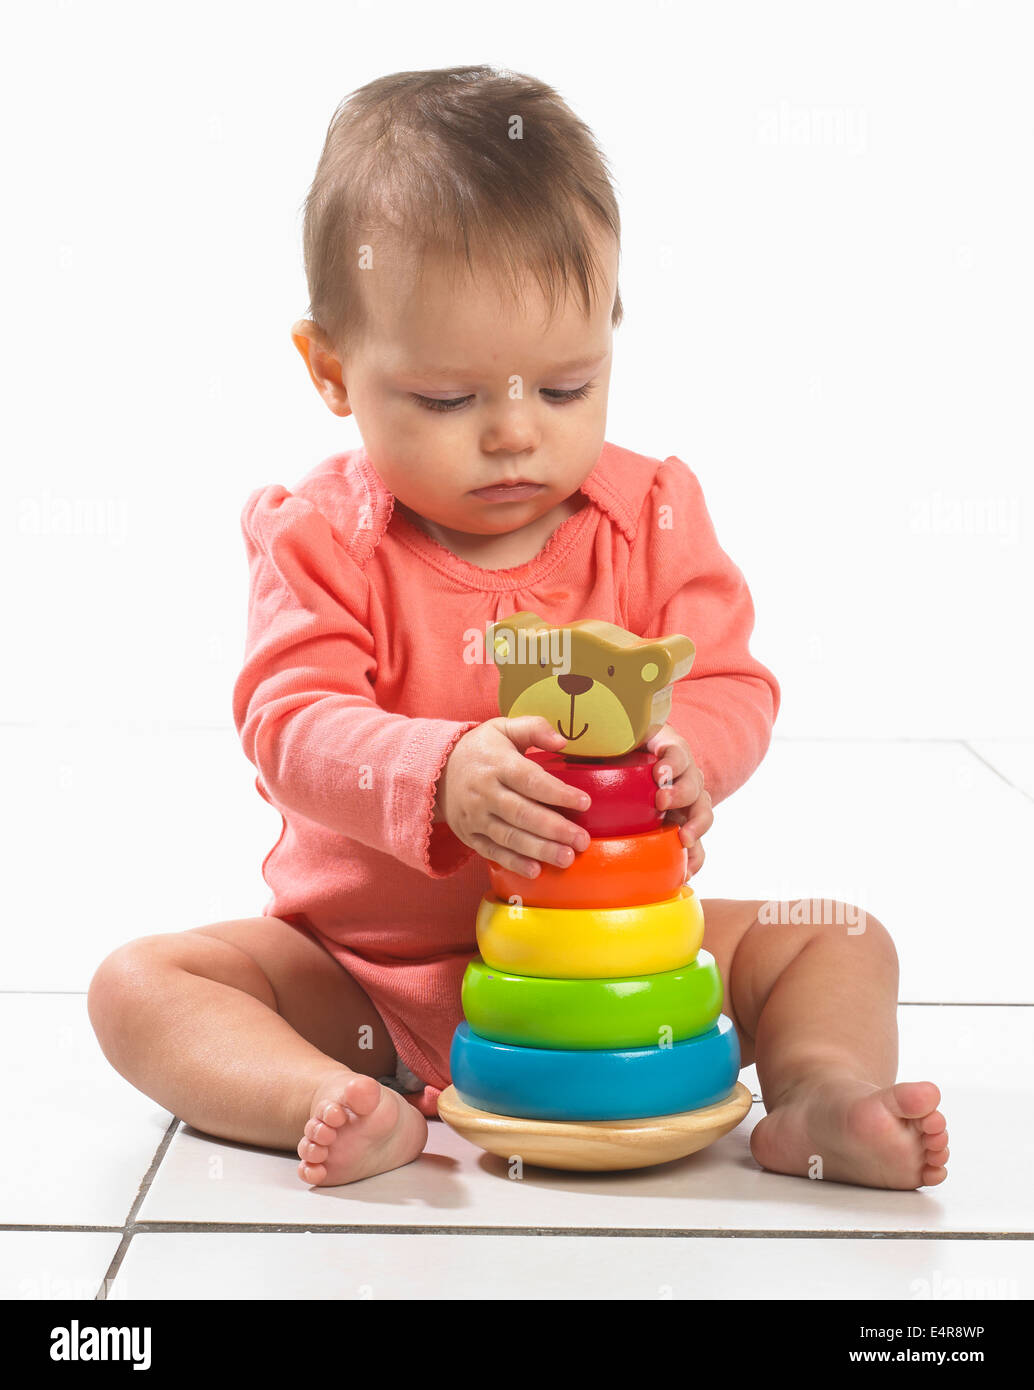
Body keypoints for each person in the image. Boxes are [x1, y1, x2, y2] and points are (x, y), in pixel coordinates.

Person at [88, 66, 949, 1191]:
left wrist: (691, 753)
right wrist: (436, 770)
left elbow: (730, 678)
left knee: (835, 932)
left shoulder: (648, 515)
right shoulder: (323, 538)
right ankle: (326, 1094)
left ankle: (820, 1093)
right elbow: (287, 722)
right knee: (136, 982)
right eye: (448, 401)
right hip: (367, 981)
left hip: (620, 977)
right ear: (332, 371)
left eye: (563, 387)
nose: (510, 436)